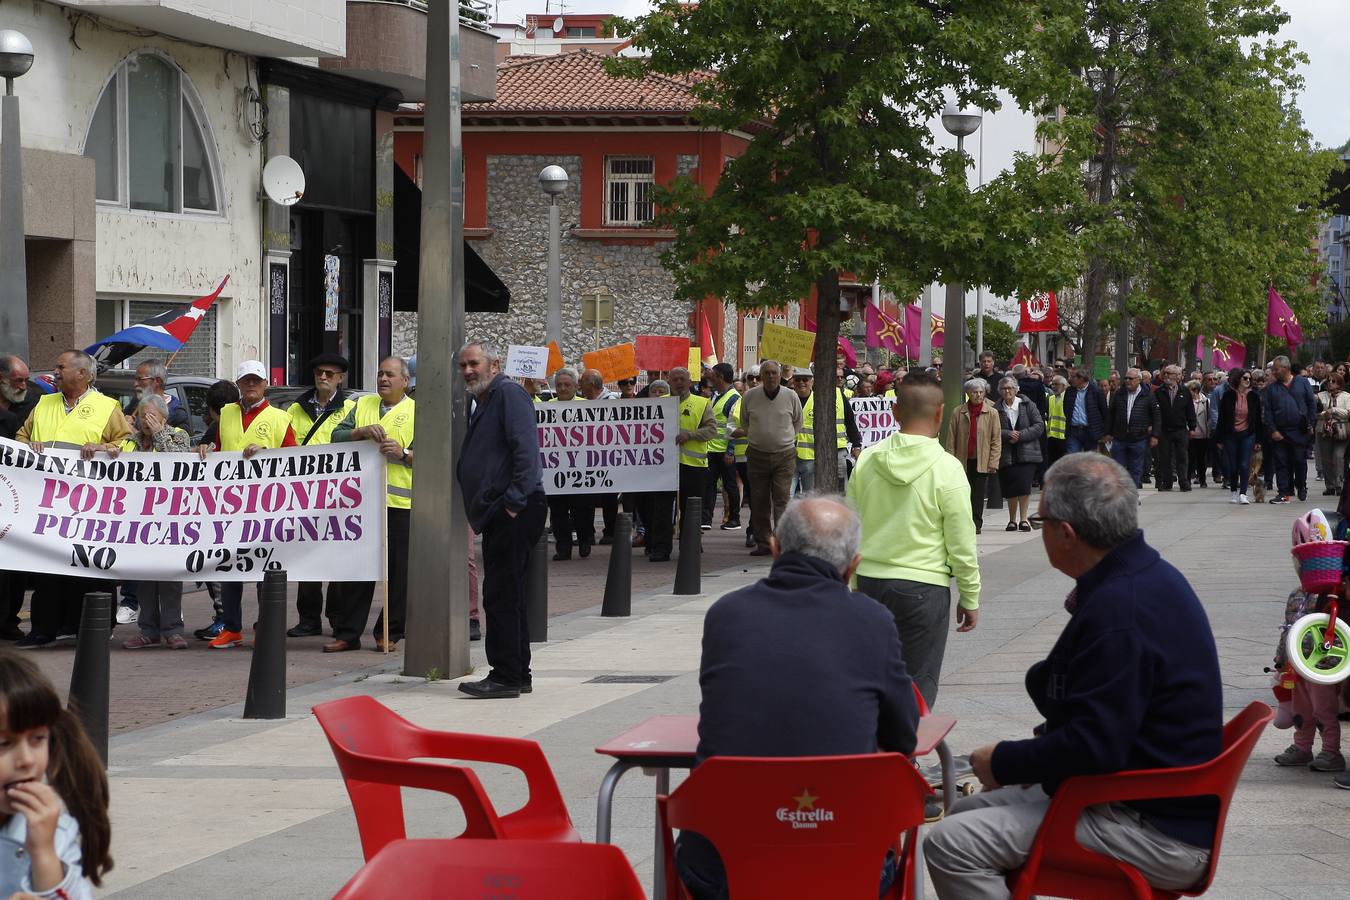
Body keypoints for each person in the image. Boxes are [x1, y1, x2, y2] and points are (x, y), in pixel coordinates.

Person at [924, 453, 1223, 899]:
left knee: (951, 844)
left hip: (1154, 826)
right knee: (964, 812)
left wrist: (1004, 761)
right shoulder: (1139, 577)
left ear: (1065, 533)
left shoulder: (1122, 610)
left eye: (1041, 519)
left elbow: (1095, 745)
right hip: (1142, 797)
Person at [675, 495, 920, 900]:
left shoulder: (726, 614)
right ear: (853, 565)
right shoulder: (872, 621)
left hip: (723, 870)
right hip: (847, 867)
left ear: (774, 549)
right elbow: (903, 738)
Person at [848, 371, 979, 707]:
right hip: (924, 585)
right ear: (941, 413)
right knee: (917, 684)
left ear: (894, 411)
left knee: (868, 676)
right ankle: (906, 754)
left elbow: (849, 525)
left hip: (869, 581)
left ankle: (870, 750)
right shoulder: (947, 468)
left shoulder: (867, 460)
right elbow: (961, 542)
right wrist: (969, 594)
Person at [14, 351, 131, 649]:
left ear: (82, 374)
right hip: (47, 502)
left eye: (60, 367)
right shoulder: (44, 403)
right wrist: (30, 444)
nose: (54, 371)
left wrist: (106, 447)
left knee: (90, 565)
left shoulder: (106, 407)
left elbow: (127, 443)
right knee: (47, 567)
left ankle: (95, 627)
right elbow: (20, 439)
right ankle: (44, 629)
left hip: (89, 503)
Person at [456, 342, 547, 699]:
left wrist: (512, 502)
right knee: (510, 595)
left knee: (501, 596)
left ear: (494, 364)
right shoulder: (489, 398)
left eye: (473, 364)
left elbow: (526, 451)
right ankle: (516, 672)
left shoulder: (508, 394)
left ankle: (505, 675)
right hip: (505, 510)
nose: (467, 371)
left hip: (514, 511)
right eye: (463, 365)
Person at [197, 361, 297, 649]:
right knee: (229, 567)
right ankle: (231, 627)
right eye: (246, 381)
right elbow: (218, 445)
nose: (251, 385)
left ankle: (267, 627)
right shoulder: (227, 413)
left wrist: (266, 453)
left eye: (256, 380)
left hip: (266, 506)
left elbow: (295, 460)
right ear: (238, 384)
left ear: (266, 384)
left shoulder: (280, 418)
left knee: (265, 568)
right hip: (229, 505)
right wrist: (207, 448)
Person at [0, 652, 114, 898]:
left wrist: (44, 853)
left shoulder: (53, 830)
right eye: (4, 744)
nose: (27, 760)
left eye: (37, 739)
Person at [329, 357, 415, 653]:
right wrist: (359, 433)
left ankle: (389, 632)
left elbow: (432, 455)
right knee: (358, 569)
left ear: (405, 381)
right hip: (362, 504)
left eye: (390, 375)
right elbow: (335, 437)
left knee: (399, 573)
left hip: (400, 504)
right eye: (379, 374)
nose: (383, 379)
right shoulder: (361, 406)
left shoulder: (417, 411)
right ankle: (348, 633)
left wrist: (403, 453)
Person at [286, 353, 358, 638]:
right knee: (307, 559)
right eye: (319, 372)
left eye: (330, 373)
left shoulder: (352, 407)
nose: (323, 377)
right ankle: (308, 618)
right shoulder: (295, 408)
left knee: (339, 559)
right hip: (305, 496)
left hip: (342, 495)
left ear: (341, 378)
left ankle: (338, 617)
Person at [118, 394, 192, 651]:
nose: (145, 421)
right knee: (145, 576)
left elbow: (180, 463)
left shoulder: (177, 436)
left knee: (169, 576)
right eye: (142, 415)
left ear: (163, 417)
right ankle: (148, 629)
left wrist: (160, 434)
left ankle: (173, 629)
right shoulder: (130, 441)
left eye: (151, 416)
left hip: (169, 517)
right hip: (139, 520)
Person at [645, 367, 715, 561]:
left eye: (682, 379)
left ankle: (690, 545)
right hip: (665, 466)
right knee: (662, 508)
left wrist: (690, 435)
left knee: (691, 508)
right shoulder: (660, 404)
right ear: (669, 381)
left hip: (693, 466)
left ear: (689, 382)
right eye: (674, 379)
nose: (678, 382)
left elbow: (712, 430)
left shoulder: (702, 403)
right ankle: (660, 548)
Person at [736, 360, 802, 557]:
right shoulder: (750, 396)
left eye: (774, 373)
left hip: (784, 455)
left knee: (782, 499)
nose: (771, 376)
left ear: (780, 375)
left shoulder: (790, 396)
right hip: (757, 454)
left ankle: (781, 542)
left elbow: (798, 421)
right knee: (759, 500)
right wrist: (758, 437)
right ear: (761, 376)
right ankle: (764, 543)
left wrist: (785, 439)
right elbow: (745, 421)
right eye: (767, 373)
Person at [191, 380, 241, 640]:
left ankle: (224, 619)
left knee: (220, 568)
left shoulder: (216, 429)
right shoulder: (232, 425)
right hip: (237, 508)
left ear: (211, 409)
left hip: (218, 510)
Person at [0, 355, 40, 641]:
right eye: (18, 381)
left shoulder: (33, 403)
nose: (24, 385)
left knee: (14, 569)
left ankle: (8, 620)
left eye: (26, 380)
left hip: (16, 501)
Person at [545, 368, 593, 560]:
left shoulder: (588, 406)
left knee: (583, 509)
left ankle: (584, 540)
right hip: (556, 469)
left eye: (567, 385)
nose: (563, 389)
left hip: (582, 468)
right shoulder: (547, 407)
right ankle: (563, 547)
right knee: (558, 512)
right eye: (559, 385)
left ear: (576, 386)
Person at [943, 378, 1001, 535]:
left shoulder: (992, 412)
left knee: (978, 494)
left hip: (981, 460)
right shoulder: (958, 412)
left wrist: (993, 462)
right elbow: (951, 438)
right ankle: (963, 522)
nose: (978, 395)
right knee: (962, 492)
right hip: (962, 460)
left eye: (981, 392)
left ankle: (976, 523)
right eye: (975, 392)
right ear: (968, 393)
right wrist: (950, 461)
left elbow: (996, 440)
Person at [994, 376, 1045, 532]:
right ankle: (1011, 520)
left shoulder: (1028, 405)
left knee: (1024, 487)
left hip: (1027, 452)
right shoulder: (996, 408)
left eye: (1010, 388)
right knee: (1010, 488)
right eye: (1004, 388)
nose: (1007, 391)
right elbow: (992, 429)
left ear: (1016, 389)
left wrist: (1021, 435)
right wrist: (1008, 434)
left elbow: (1038, 426)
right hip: (1006, 453)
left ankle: (1023, 519)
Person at [1265, 355, 1316, 503]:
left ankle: (1301, 485)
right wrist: (1273, 430)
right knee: (1281, 461)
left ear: (1286, 368)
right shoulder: (1271, 389)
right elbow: (1267, 412)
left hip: (1299, 430)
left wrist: (1310, 424)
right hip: (1280, 431)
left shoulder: (1302, 382)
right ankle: (1283, 492)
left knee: (1299, 460)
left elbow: (1311, 404)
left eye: (1276, 369)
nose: (1274, 372)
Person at [703, 363, 742, 530]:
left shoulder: (734, 398)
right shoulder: (716, 395)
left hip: (724, 451)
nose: (711, 377)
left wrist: (730, 450)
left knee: (730, 485)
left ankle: (734, 519)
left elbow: (734, 425)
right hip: (711, 449)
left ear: (720, 377)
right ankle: (706, 519)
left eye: (714, 375)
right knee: (708, 486)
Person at [1106, 368, 1159, 488]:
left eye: (1131, 378)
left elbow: (1156, 415)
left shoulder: (1148, 395)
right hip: (1120, 438)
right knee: (1117, 468)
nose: (1127, 381)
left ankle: (1132, 494)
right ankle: (1118, 494)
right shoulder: (1119, 394)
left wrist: (1155, 435)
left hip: (1138, 438)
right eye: (1126, 378)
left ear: (1139, 380)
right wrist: (1108, 432)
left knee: (1135, 469)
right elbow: (1111, 414)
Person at [1154, 365, 1197, 491]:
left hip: (1180, 430)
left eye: (1170, 373)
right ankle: (1167, 482)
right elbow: (1155, 412)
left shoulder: (1185, 392)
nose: (1166, 376)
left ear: (1177, 377)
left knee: (1182, 456)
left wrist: (1192, 427)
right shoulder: (1159, 392)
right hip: (1165, 430)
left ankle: (1183, 481)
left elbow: (1190, 411)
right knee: (1165, 457)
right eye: (1165, 373)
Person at [1316, 373, 1350, 496]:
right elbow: (1317, 412)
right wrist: (1324, 413)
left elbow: (1347, 412)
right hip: (1324, 430)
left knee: (1338, 456)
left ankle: (1339, 484)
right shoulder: (1320, 396)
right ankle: (1329, 485)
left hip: (1341, 431)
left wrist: (1333, 410)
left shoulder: (1346, 397)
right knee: (1326, 458)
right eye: (1329, 381)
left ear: (1340, 383)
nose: (1330, 383)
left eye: (1334, 381)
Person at [132, 358, 190, 430]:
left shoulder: (177, 414)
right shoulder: (134, 404)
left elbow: (180, 440)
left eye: (140, 379)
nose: (135, 384)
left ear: (157, 381)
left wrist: (132, 432)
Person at [1062, 366, 1107, 455]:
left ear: (1081, 378)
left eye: (1073, 377)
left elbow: (1104, 412)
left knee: (1090, 461)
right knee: (1073, 459)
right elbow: (1066, 408)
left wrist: (1101, 432)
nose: (1070, 379)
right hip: (1073, 431)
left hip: (1090, 432)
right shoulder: (1069, 391)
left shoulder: (1096, 391)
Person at [1186, 380, 1211, 489]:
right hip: (1190, 434)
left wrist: (1209, 431)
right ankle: (1187, 479)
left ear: (1196, 390)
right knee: (1190, 458)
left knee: (1202, 459)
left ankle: (1202, 479)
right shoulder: (1187, 401)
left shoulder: (1205, 401)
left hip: (1203, 434)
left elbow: (1209, 417)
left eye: (1190, 390)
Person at [1045, 374, 1068, 467]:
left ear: (1064, 385)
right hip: (1051, 435)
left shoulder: (1067, 398)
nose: (1054, 386)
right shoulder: (1050, 398)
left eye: (1056, 384)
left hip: (1063, 436)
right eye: (1053, 384)